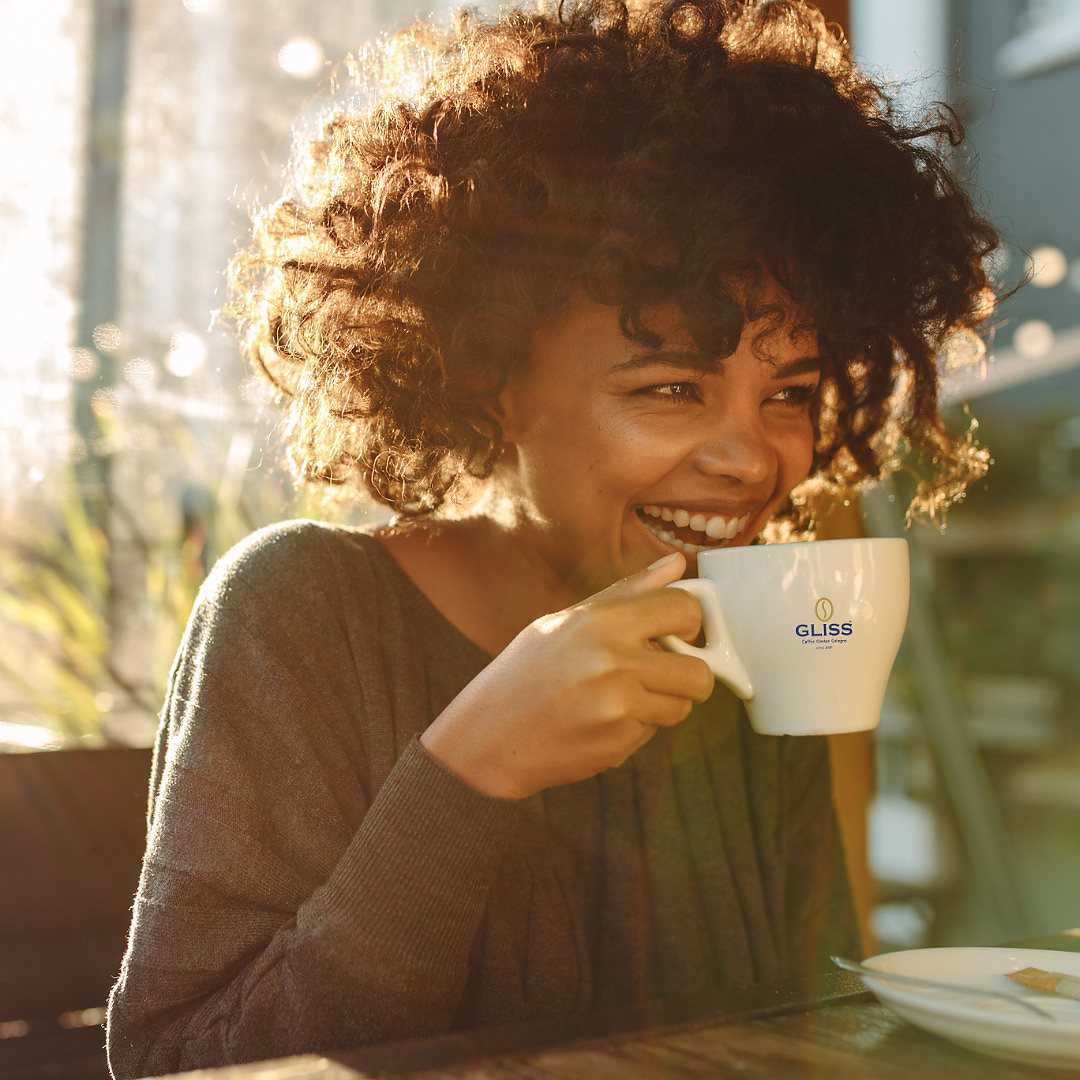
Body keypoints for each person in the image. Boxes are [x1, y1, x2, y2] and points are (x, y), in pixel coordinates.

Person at [106, 0, 999, 1075]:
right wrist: (467, 770)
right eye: (673, 387)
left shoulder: (754, 636)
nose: (754, 459)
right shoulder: (302, 609)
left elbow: (799, 1031)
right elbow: (175, 1062)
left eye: (790, 392)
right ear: (489, 383)